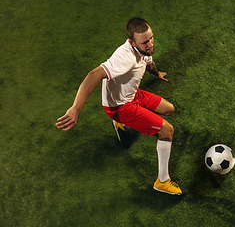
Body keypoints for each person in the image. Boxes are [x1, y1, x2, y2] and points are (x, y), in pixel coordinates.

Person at [55, 17, 188, 196]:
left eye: (151, 38)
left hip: (131, 95)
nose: (150, 44)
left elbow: (147, 60)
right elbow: (93, 75)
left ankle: (121, 125)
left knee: (169, 109)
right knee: (167, 131)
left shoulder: (142, 49)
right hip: (119, 107)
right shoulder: (124, 57)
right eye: (145, 42)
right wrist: (75, 108)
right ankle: (162, 181)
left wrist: (156, 73)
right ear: (132, 42)